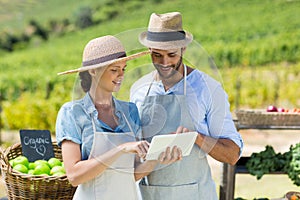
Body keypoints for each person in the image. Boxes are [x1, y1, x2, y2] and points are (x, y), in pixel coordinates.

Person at [130, 12, 244, 200]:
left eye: (171, 54)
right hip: (150, 194)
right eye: (157, 55)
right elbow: (133, 157)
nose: (164, 63)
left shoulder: (207, 89)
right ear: (149, 49)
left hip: (195, 194)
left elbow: (232, 154)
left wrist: (196, 138)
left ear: (183, 49)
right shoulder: (139, 90)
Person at [55, 35, 151, 199]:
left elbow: (131, 173)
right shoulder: (72, 113)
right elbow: (74, 176)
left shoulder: (130, 112)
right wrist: (120, 149)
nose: (121, 75)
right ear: (93, 71)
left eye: (123, 69)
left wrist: (160, 158)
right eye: (114, 70)